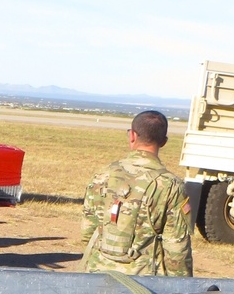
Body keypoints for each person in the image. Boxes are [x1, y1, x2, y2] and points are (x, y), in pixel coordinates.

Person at [80, 110, 193, 276]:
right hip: (144, 284)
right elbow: (177, 250)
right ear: (163, 142)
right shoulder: (171, 186)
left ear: (132, 136)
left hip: (98, 273)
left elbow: (87, 232)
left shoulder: (103, 174)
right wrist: (183, 288)